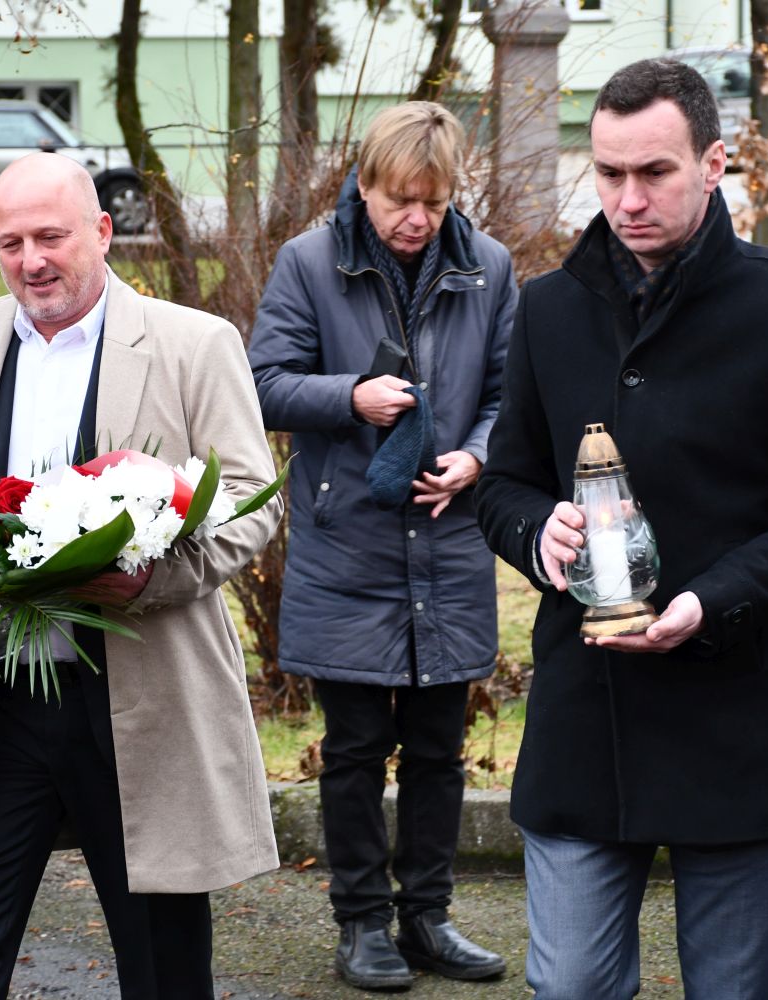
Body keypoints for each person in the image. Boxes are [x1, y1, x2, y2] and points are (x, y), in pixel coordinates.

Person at [474, 59, 768, 999]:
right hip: (587, 721)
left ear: (714, 163)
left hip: (738, 720)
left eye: (654, 172)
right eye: (609, 174)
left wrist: (713, 598)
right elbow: (505, 483)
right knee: (571, 987)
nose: (628, 200)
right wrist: (538, 534)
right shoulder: (547, 308)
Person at [0, 151, 283, 998]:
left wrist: (151, 580)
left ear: (102, 232)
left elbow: (254, 502)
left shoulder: (193, 343)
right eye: (10, 243)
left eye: (51, 237)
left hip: (142, 698)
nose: (31, 261)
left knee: (164, 968)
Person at [247, 101, 515, 991]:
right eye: (402, 199)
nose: (417, 219)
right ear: (364, 184)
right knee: (356, 748)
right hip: (347, 547)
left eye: (434, 203)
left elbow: (512, 392)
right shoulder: (308, 262)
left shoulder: (489, 268)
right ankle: (362, 924)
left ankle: (428, 919)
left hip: (448, 541)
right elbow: (261, 383)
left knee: (439, 747)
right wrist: (350, 399)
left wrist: (477, 458)